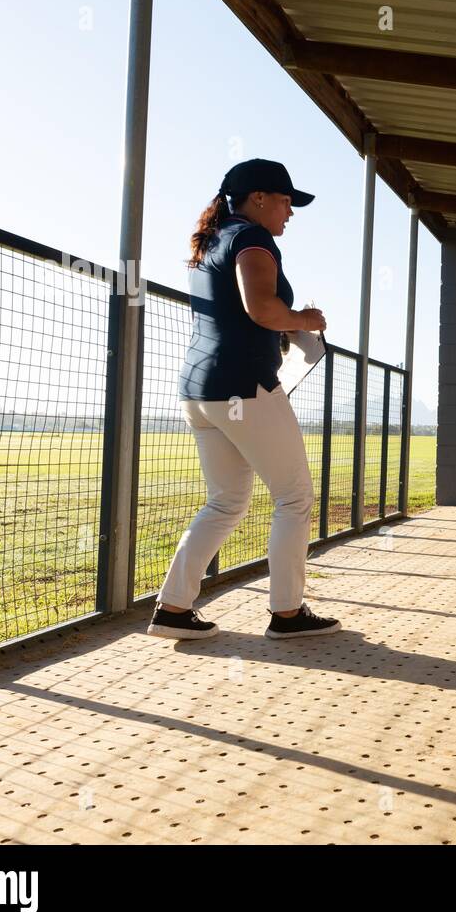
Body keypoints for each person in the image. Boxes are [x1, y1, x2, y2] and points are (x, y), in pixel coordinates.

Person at [147, 159, 340, 641]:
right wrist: (306, 318)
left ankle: (172, 609)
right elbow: (261, 308)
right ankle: (288, 614)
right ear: (259, 199)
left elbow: (240, 312)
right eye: (286, 201)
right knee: (294, 498)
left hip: (199, 389)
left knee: (227, 499)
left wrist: (287, 321)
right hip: (243, 386)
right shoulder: (252, 240)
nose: (290, 212)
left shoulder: (213, 240)